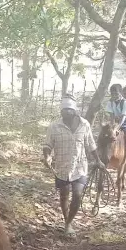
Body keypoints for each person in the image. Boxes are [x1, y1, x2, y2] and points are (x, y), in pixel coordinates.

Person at [43, 96, 105, 237]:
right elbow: (47, 144)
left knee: (77, 195)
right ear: (61, 112)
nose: (66, 113)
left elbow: (91, 144)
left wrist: (98, 161)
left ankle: (68, 223)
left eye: (69, 111)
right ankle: (67, 222)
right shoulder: (54, 126)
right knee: (64, 195)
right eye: (64, 111)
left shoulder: (85, 125)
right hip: (62, 167)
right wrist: (47, 156)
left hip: (80, 167)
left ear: (75, 111)